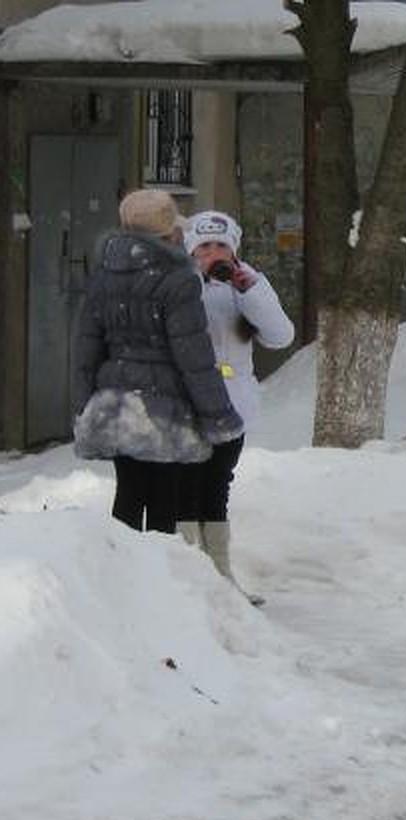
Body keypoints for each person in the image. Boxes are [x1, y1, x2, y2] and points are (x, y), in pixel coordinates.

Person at [72, 190, 244, 534]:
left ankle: (120, 575)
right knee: (167, 500)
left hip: (117, 403)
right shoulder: (178, 279)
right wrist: (219, 417)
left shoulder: (104, 273)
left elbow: (86, 349)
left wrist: (83, 405)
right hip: (166, 407)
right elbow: (193, 356)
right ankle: (160, 581)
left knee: (129, 494)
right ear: (170, 232)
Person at [178, 210, 295, 590]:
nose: (214, 254)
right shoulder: (180, 284)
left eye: (222, 246)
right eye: (205, 247)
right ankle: (190, 576)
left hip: (233, 405)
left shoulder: (247, 285)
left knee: (217, 486)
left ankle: (221, 576)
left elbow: (280, 337)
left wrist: (251, 289)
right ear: (192, 251)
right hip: (190, 403)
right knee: (187, 488)